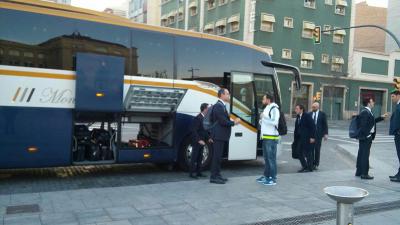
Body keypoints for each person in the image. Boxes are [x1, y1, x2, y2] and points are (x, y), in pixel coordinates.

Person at [209, 88, 240, 184]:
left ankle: (218, 175)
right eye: (227, 94)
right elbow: (223, 121)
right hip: (218, 135)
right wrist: (234, 122)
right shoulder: (218, 106)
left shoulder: (221, 105)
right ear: (222, 95)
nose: (229, 96)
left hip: (220, 135)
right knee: (216, 157)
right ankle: (214, 177)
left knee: (218, 157)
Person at [355, 97, 386, 180]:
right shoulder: (365, 112)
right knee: (365, 155)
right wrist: (367, 135)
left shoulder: (367, 111)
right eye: (372, 101)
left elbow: (371, 122)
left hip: (365, 137)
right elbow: (363, 126)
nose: (374, 103)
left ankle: (359, 172)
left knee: (361, 154)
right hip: (366, 137)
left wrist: (381, 117)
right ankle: (364, 174)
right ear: (368, 103)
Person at [256, 93, 280, 185]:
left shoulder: (274, 108)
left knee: (271, 158)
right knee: (267, 158)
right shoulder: (267, 108)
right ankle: (266, 176)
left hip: (271, 137)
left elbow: (274, 121)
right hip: (266, 136)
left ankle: (273, 178)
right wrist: (261, 120)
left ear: (268, 100)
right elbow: (266, 121)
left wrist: (264, 118)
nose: (262, 100)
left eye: (264, 99)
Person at [189, 103, 212, 179]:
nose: (209, 110)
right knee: (194, 157)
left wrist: (208, 138)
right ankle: (192, 173)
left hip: (203, 141)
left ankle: (199, 172)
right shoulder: (198, 118)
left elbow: (204, 131)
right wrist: (199, 140)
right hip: (197, 141)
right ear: (205, 109)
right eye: (208, 108)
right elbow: (193, 130)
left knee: (200, 157)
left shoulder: (205, 118)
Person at [293, 104, 315, 172]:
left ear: (301, 109)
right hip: (300, 138)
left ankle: (310, 167)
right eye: (295, 109)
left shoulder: (307, 116)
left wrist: (312, 137)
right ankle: (304, 166)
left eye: (297, 109)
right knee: (299, 152)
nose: (295, 110)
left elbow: (313, 126)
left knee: (308, 153)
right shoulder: (298, 116)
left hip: (307, 137)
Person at [309, 102, 328, 170]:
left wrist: (325, 134)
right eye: (312, 107)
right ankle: (310, 163)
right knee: (310, 150)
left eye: (314, 107)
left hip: (318, 135)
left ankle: (316, 164)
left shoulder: (322, 114)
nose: (313, 108)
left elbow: (325, 124)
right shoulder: (309, 114)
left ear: (317, 107)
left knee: (317, 150)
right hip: (310, 135)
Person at [389, 89, 400, 182]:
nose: (391, 99)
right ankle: (399, 174)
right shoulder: (398, 106)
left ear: (398, 96)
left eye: (393, 97)